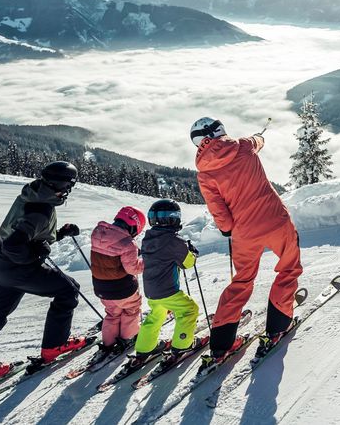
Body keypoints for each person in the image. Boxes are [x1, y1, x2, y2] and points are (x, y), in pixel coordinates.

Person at [0, 161, 88, 391]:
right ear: (65, 184)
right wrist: (34, 253)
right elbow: (15, 246)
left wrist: (59, 234)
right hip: (19, 269)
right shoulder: (42, 208)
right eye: (70, 184)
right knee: (69, 289)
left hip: (1, 267)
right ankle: (54, 346)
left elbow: (26, 232)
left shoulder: (33, 194)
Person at [191, 117, 303, 359]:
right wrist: (259, 137)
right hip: (276, 220)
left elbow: (219, 212)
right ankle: (278, 326)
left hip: (244, 232)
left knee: (241, 282)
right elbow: (258, 141)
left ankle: (221, 343)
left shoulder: (205, 174)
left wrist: (227, 229)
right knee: (289, 268)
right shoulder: (244, 145)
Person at [130, 199, 201, 364]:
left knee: (156, 315)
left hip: (152, 291)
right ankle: (182, 345)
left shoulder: (148, 239)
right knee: (189, 310)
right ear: (174, 219)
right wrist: (192, 252)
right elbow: (187, 263)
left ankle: (144, 348)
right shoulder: (174, 241)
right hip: (168, 291)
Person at [89, 206, 146, 353]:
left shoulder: (97, 233)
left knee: (112, 313)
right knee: (131, 309)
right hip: (122, 288)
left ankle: (108, 342)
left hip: (101, 287)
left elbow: (110, 251)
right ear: (134, 226)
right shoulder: (128, 243)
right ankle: (128, 337)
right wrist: (145, 261)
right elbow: (133, 269)